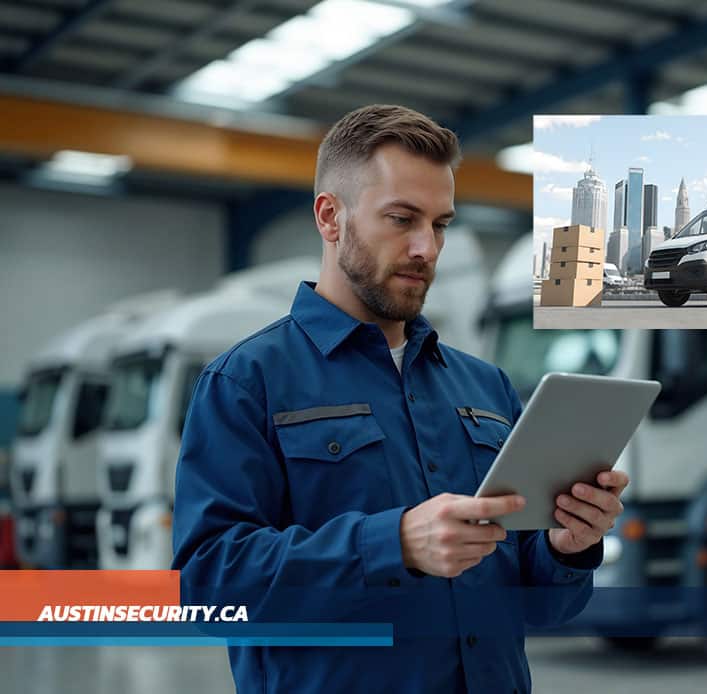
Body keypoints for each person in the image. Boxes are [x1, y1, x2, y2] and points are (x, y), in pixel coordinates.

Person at [172, 104, 627, 693]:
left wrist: (567, 546)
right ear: (330, 217)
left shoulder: (485, 388)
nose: (426, 248)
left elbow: (538, 608)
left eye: (439, 224)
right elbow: (207, 588)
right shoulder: (245, 382)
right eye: (402, 218)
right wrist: (392, 544)